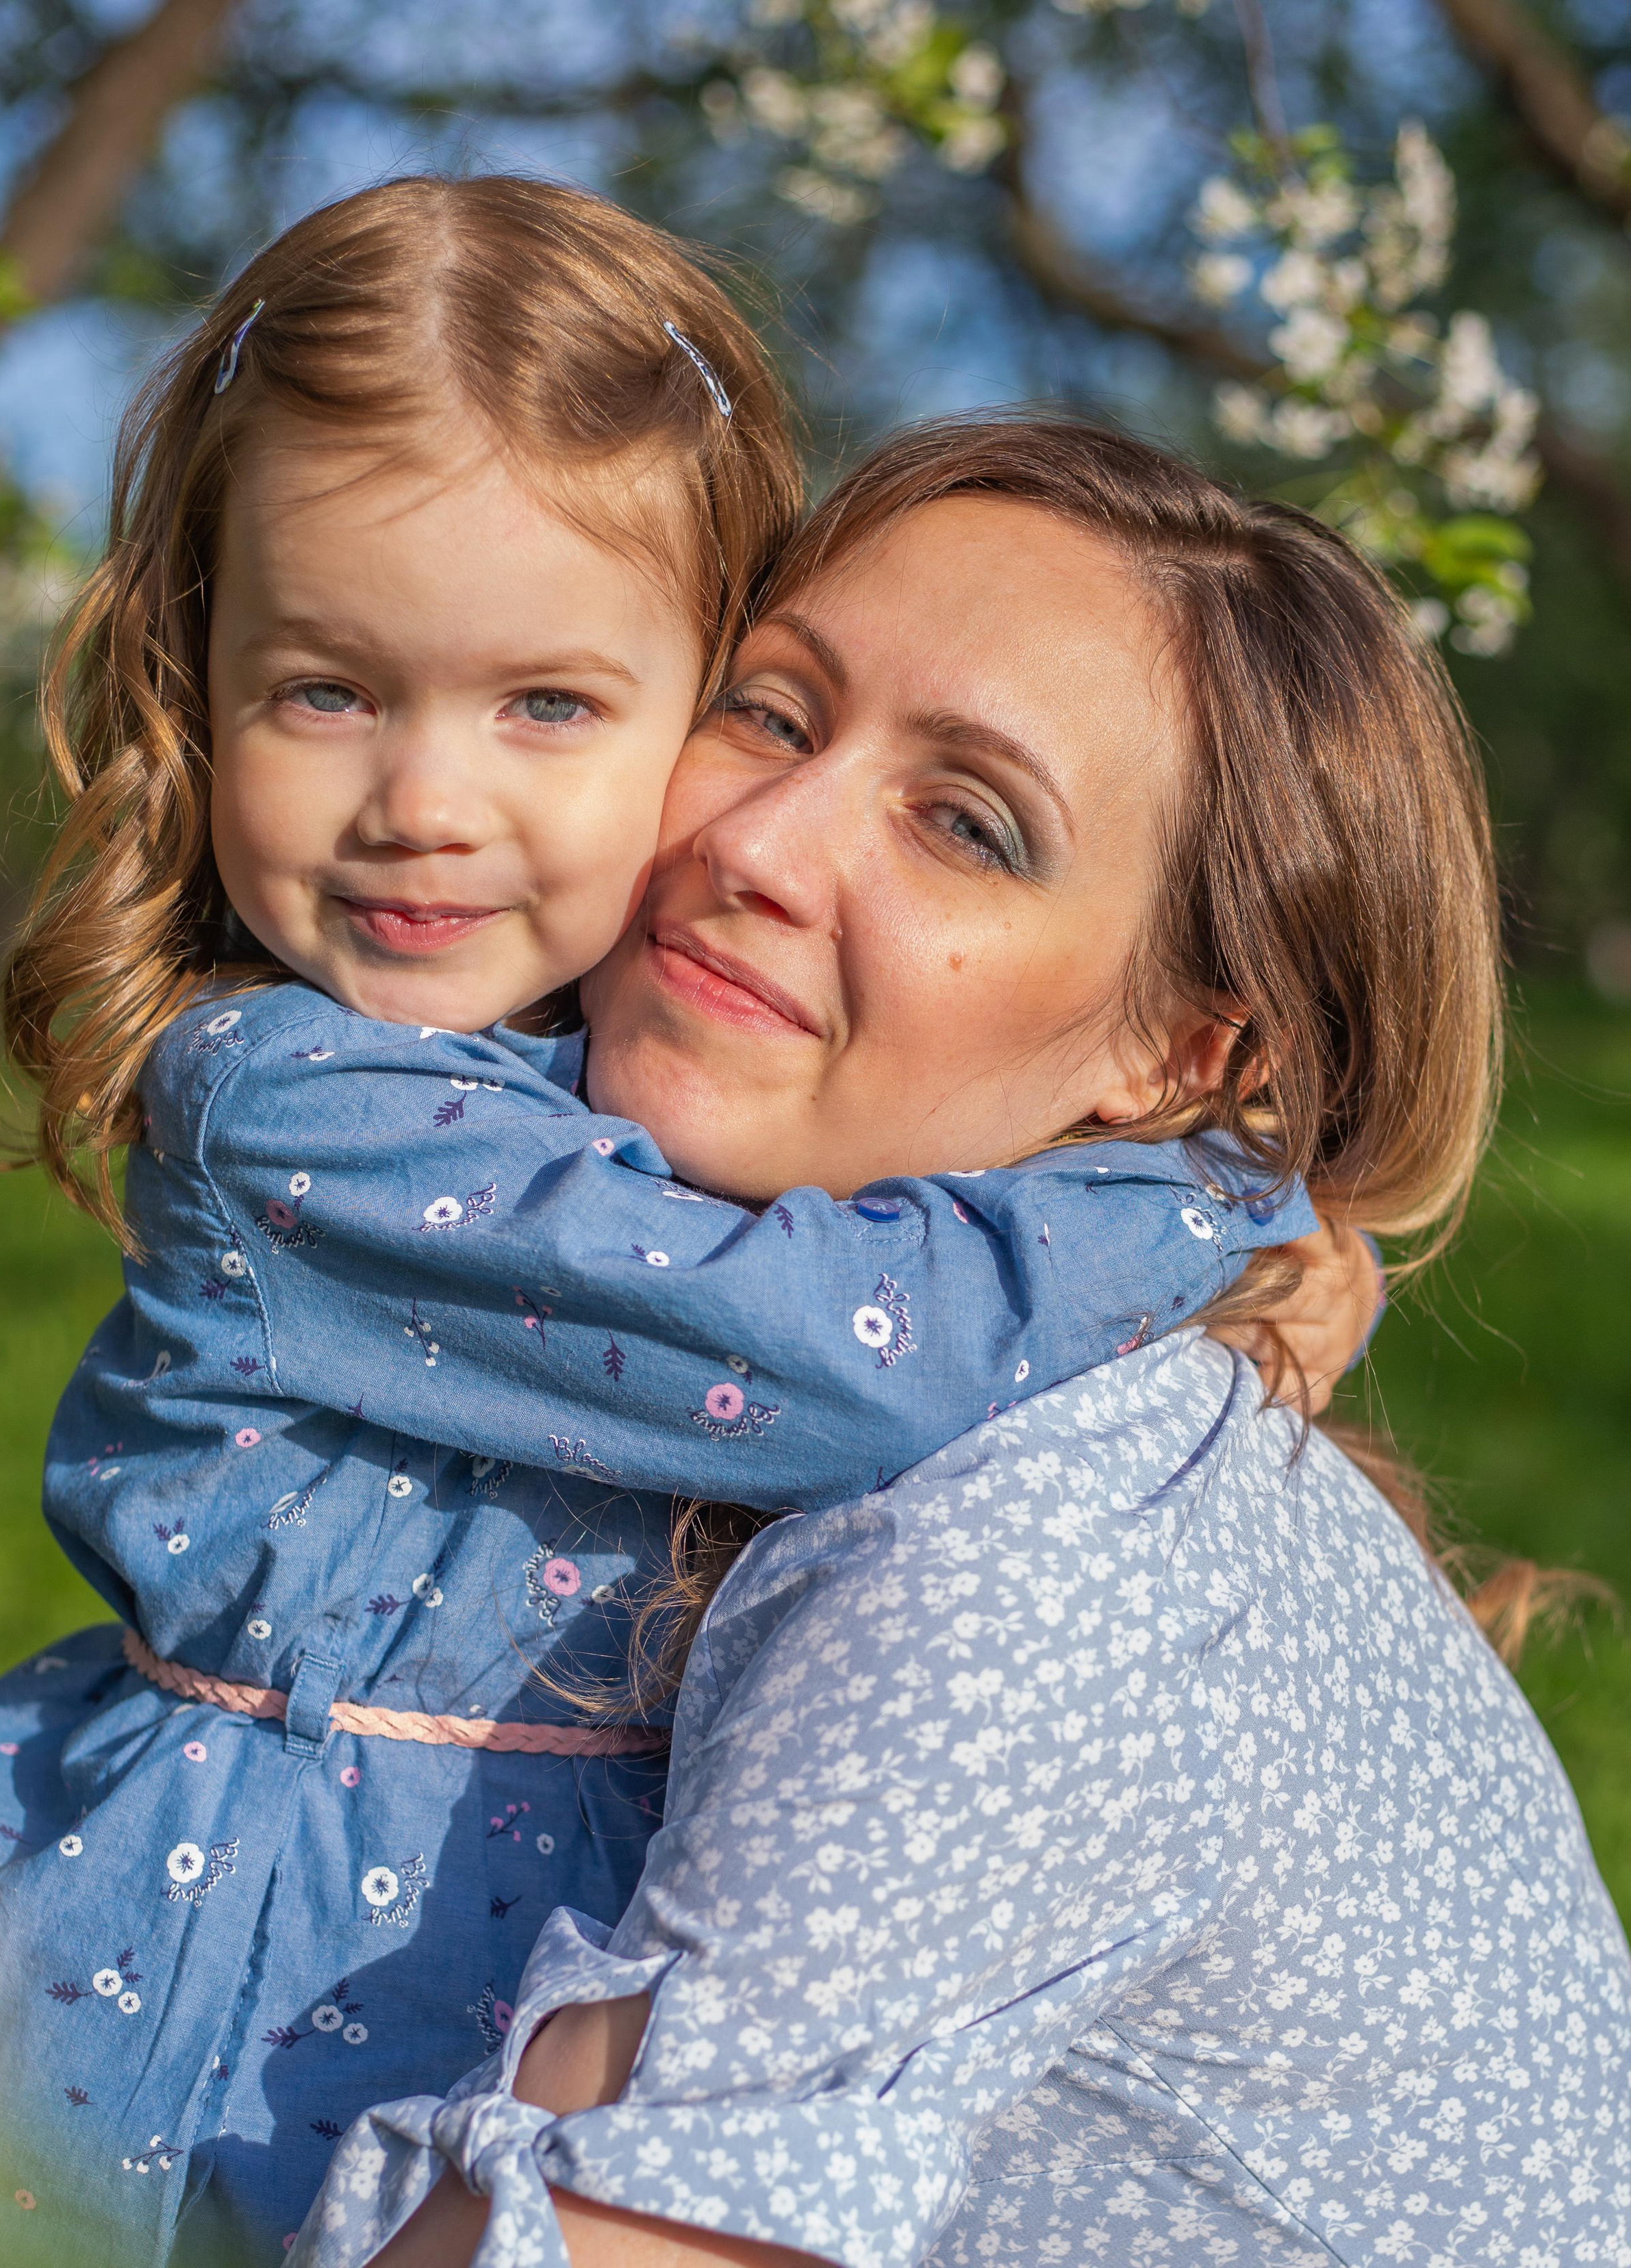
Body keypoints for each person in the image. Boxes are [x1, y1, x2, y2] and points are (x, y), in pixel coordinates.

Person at [0, 181, 1364, 2268]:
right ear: (193, 680)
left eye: (550, 709)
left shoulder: (621, 1075)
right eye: (324, 692)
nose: (424, 798)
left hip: (473, 1978)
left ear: (694, 703)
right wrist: (1193, 1196)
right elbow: (835, 1355)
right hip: (203, 2001)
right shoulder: (301, 1103)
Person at [296, 419, 1631, 2268]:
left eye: (968, 824)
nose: (757, 843)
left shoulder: (1024, 1545)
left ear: (1184, 1056)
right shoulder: (1057, 1432)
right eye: (768, 712)